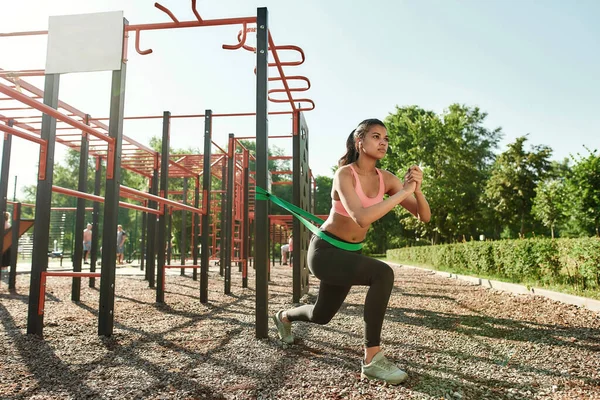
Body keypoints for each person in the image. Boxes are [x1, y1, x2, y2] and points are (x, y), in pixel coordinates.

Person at [272, 118, 431, 385]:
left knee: (321, 315)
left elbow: (423, 216)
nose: (383, 142)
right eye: (376, 136)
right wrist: (402, 192)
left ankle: (284, 316)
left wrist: (417, 190)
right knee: (382, 273)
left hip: (351, 253)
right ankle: (372, 359)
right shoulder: (344, 174)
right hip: (325, 252)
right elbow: (361, 217)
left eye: (386, 138)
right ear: (360, 141)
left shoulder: (387, 179)